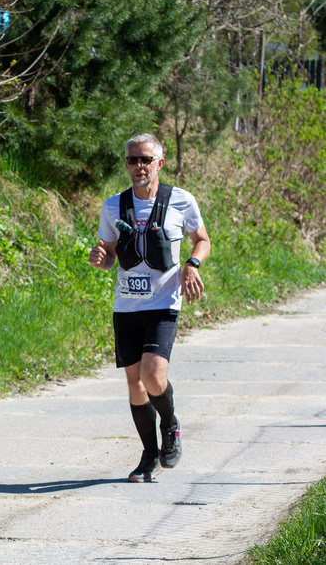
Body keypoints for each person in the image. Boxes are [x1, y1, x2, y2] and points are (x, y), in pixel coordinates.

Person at [88, 133, 211, 483]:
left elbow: (202, 240)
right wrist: (101, 258)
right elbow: (109, 254)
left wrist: (192, 264)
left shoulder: (181, 201)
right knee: (135, 384)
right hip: (127, 306)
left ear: (159, 162)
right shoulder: (114, 206)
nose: (139, 166)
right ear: (126, 164)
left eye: (146, 159)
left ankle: (169, 425)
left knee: (153, 375)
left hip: (164, 302)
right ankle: (149, 455)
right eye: (132, 160)